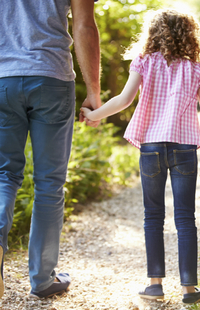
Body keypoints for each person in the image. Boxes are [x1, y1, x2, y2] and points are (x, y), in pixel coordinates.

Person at [81, 8, 200, 304]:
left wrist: (95, 115)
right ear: (190, 36)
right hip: (184, 149)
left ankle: (154, 285)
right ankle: (189, 289)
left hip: (151, 148)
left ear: (153, 34)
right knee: (185, 218)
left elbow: (124, 99)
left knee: (152, 216)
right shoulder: (197, 69)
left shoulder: (143, 62)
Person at [0, 0, 101, 299]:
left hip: (3, 78)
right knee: (49, 183)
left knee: (4, 174)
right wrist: (93, 90)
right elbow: (84, 24)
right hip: (51, 77)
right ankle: (43, 279)